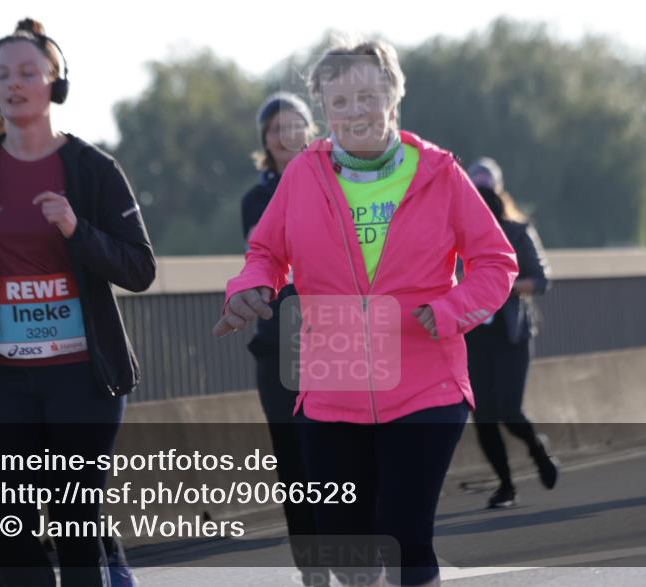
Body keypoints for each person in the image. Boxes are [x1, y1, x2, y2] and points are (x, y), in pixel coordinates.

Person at [213, 37, 518, 587]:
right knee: (347, 550)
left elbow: (496, 262)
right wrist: (249, 287)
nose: (355, 112)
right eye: (340, 102)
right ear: (324, 109)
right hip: (333, 387)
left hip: (425, 384)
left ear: (394, 98)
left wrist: (452, 309)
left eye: (367, 97)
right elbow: (265, 253)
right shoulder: (303, 176)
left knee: (405, 537)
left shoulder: (439, 173)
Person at [0, 18, 156, 586]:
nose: (13, 84)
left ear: (56, 83)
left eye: (28, 73)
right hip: (0, 378)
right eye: (2, 75)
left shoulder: (94, 170)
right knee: (6, 523)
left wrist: (77, 229)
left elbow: (139, 268)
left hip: (82, 377)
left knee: (76, 525)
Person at [241, 92, 329, 586]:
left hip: (332, 336)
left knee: (336, 453)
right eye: (276, 128)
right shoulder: (254, 201)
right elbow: (264, 261)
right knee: (292, 461)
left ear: (310, 130)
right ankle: (311, 567)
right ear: (265, 140)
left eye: (294, 125)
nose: (285, 135)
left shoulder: (336, 182)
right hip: (276, 342)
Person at [462, 158, 559, 509]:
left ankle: (537, 450)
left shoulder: (518, 232)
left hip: (510, 334)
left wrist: (503, 286)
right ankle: (506, 486)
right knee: (483, 415)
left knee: (508, 408)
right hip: (473, 337)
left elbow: (542, 280)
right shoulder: (458, 235)